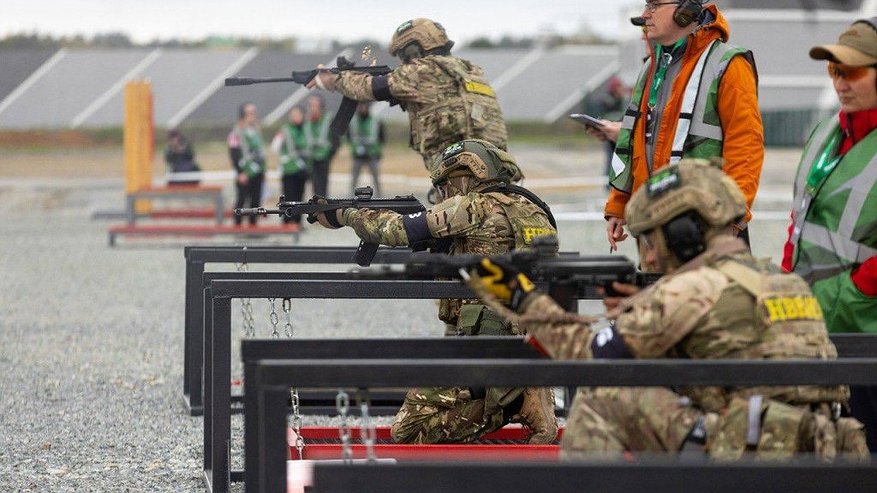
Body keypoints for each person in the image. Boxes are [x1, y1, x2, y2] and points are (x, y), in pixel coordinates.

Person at [465, 159, 868, 459]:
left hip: (754, 454)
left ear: (684, 234)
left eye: (652, 241)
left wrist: (519, 296)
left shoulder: (695, 286)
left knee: (601, 400)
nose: (651, 258)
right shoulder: (782, 280)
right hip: (823, 446)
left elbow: (591, 355)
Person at [313, 139, 558, 445]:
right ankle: (514, 392)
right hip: (528, 340)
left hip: (486, 347)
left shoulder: (473, 205)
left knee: (407, 430)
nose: (443, 195)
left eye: (445, 185)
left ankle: (515, 400)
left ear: (464, 176)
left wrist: (345, 216)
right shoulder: (533, 210)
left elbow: (396, 230)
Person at [588, 1, 763, 251]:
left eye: (654, 5)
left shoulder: (728, 64)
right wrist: (618, 205)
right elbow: (634, 139)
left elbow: (745, 147)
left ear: (686, 10)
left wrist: (732, 218)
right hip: (655, 227)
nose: (644, 14)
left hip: (710, 228)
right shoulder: (651, 67)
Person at [782, 17, 877, 451]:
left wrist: (852, 294)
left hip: (864, 330)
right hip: (812, 327)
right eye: (834, 71)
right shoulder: (824, 132)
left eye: (853, 71)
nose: (841, 82)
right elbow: (799, 222)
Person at [307, 18, 508, 174]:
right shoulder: (469, 70)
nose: (404, 63)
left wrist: (331, 80)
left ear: (418, 48)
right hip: (492, 172)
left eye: (405, 54)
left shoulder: (426, 69)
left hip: (465, 179)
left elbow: (370, 88)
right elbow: (442, 101)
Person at [228, 102, 267, 226]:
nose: (253, 116)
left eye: (254, 113)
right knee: (242, 200)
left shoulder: (256, 131)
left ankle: (253, 225)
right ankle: (238, 226)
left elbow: (260, 153)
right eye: (250, 113)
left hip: (257, 171)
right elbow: (234, 154)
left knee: (255, 201)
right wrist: (240, 172)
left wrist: (263, 170)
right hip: (244, 172)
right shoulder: (236, 133)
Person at [272, 106, 311, 225]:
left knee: (300, 196)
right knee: (289, 196)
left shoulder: (306, 128)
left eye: (298, 114)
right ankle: (287, 222)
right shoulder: (285, 129)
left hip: (302, 169)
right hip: (289, 169)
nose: (295, 117)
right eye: (293, 115)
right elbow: (275, 146)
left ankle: (297, 222)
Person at [592, 77, 629, 188]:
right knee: (610, 161)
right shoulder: (607, 101)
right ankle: (609, 184)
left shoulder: (623, 101)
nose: (622, 89)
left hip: (619, 135)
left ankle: (615, 184)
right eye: (619, 86)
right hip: (610, 136)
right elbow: (614, 116)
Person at [348, 102, 385, 196]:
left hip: (372, 154)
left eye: (365, 106)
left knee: (376, 178)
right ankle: (351, 197)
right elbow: (349, 138)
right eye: (361, 106)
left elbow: (382, 138)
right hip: (358, 155)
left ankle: (379, 197)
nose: (363, 108)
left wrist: (378, 152)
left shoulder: (376, 120)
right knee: (354, 178)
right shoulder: (353, 121)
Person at [303, 94, 335, 197]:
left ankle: (323, 209)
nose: (312, 108)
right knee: (312, 187)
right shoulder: (305, 121)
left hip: (324, 159)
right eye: (310, 105)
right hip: (309, 159)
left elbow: (335, 140)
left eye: (315, 105)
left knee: (322, 188)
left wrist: (329, 155)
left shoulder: (328, 119)